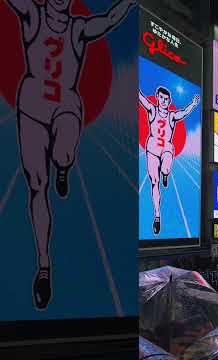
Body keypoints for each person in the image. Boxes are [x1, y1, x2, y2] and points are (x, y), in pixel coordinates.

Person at [6, 0, 137, 310]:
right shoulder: (33, 15)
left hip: (65, 105)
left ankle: (63, 165)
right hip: (32, 106)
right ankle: (44, 266)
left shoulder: (78, 27)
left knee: (64, 151)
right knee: (37, 185)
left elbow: (108, 20)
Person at [139, 87, 200, 234]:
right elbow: (141, 99)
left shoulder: (172, 116)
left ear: (169, 101)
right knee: (154, 181)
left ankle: (165, 173)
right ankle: (157, 216)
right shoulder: (152, 110)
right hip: (152, 148)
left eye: (166, 99)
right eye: (161, 98)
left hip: (166, 147)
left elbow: (184, 112)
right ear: (157, 97)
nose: (163, 101)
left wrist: (193, 103)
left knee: (165, 168)